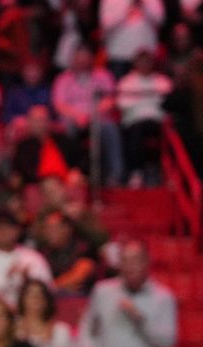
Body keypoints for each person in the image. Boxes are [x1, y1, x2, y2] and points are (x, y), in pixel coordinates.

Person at [79, 240, 177, 347]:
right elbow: (86, 330)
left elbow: (166, 343)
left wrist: (140, 319)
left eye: (135, 260)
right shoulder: (103, 291)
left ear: (146, 262)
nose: (129, 266)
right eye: (125, 260)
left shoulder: (163, 297)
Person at [52, 45, 123, 185]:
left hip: (98, 118)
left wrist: (92, 115)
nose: (82, 61)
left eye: (86, 57)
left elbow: (111, 99)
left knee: (110, 129)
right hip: (73, 120)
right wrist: (78, 116)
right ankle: (69, 173)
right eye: (79, 58)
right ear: (73, 59)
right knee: (65, 130)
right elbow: (59, 104)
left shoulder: (103, 76)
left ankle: (115, 175)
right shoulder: (63, 79)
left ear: (91, 59)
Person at [116, 49, 172, 186]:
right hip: (134, 122)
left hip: (158, 122)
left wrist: (138, 98)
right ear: (135, 63)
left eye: (148, 61)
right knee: (137, 131)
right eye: (141, 62)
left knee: (173, 133)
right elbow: (122, 104)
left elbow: (168, 104)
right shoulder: (126, 82)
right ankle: (136, 172)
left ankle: (166, 173)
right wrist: (151, 98)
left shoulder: (163, 81)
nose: (145, 65)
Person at [33, 210, 97, 293]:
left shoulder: (83, 248)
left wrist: (51, 287)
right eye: (46, 228)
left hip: (81, 298)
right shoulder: (43, 253)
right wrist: (58, 287)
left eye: (54, 228)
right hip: (52, 298)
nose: (49, 232)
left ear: (67, 229)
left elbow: (78, 276)